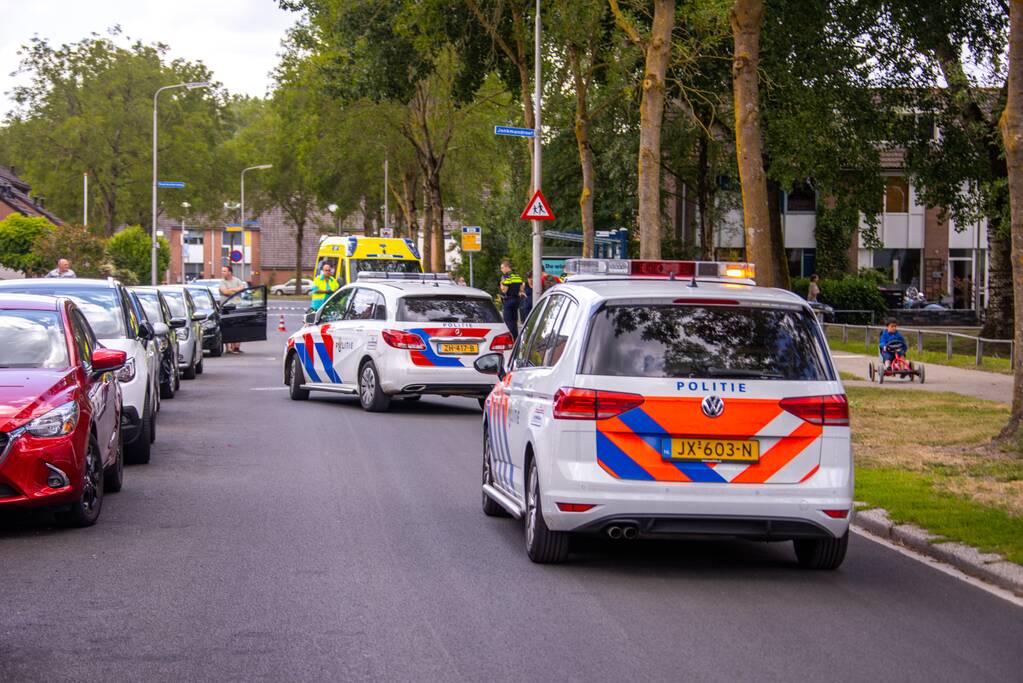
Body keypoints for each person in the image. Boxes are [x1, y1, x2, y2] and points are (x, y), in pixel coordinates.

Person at [219, 265, 247, 354]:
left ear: (229, 272)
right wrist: (236, 291)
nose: (222, 273)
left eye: (224, 271)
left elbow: (242, 288)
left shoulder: (237, 280)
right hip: (225, 307)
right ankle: (228, 348)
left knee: (237, 326)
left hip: (237, 307)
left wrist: (230, 290)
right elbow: (225, 292)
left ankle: (236, 347)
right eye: (222, 271)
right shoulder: (222, 282)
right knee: (227, 327)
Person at [499, 260, 524, 339]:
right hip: (516, 300)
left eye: (502, 268)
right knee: (514, 322)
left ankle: (511, 340)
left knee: (508, 322)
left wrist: (501, 285)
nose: (501, 270)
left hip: (508, 301)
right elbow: (522, 287)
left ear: (507, 267)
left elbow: (504, 290)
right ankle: (516, 339)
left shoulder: (506, 277)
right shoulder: (517, 276)